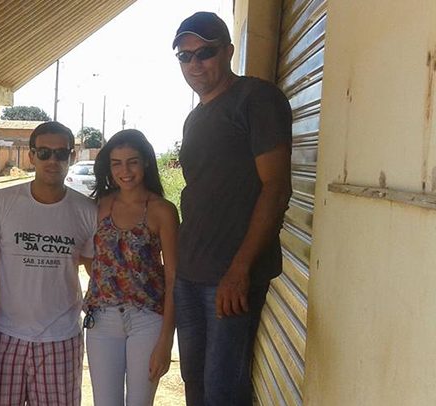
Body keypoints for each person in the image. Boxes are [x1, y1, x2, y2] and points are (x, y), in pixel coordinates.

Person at [171, 11, 293, 406]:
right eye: (185, 56)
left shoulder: (256, 99)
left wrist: (240, 270)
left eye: (205, 52)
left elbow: (276, 187)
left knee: (224, 389)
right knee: (195, 382)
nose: (195, 64)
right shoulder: (194, 119)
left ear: (228, 51)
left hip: (230, 278)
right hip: (190, 273)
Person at [0, 121, 97, 406]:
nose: (52, 160)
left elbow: (97, 272)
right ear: (31, 156)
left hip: (61, 340)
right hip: (6, 338)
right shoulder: (2, 202)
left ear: (72, 156)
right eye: (44, 153)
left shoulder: (86, 211)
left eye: (61, 153)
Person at [82, 129, 180, 406]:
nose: (124, 171)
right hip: (102, 321)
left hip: (147, 321)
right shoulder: (99, 207)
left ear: (145, 162)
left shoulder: (162, 210)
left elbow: (173, 277)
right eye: (117, 163)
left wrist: (166, 341)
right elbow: (86, 255)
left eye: (132, 162)